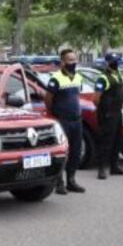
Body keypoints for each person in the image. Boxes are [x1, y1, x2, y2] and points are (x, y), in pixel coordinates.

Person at [44, 49, 86, 194]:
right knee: (63, 152)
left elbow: (77, 96)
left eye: (75, 60)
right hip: (62, 120)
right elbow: (48, 99)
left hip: (77, 120)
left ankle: (71, 181)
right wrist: (56, 113)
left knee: (75, 152)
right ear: (62, 62)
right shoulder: (55, 79)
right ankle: (59, 183)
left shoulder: (78, 77)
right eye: (70, 60)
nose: (73, 63)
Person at [91, 53, 123, 180]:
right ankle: (101, 169)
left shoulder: (117, 74)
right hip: (108, 114)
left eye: (117, 61)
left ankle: (114, 166)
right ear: (107, 63)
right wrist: (104, 110)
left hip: (117, 113)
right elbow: (96, 98)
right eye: (113, 61)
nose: (116, 63)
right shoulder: (103, 78)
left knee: (117, 140)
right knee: (105, 142)